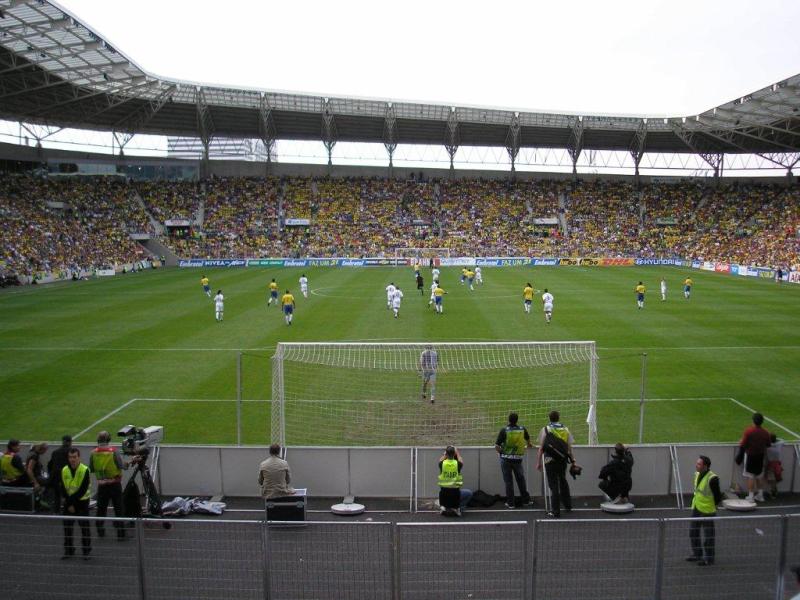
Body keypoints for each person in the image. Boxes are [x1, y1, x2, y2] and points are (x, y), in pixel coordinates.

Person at [536, 410, 578, 518]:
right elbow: (569, 448)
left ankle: (556, 511)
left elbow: (541, 448)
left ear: (549, 418)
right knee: (563, 482)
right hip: (562, 460)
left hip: (550, 460)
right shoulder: (565, 429)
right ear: (558, 418)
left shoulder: (546, 429)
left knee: (554, 485)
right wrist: (573, 460)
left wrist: (538, 462)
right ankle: (568, 506)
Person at [89, 431, 128, 540]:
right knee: (119, 508)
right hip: (114, 484)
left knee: (101, 509)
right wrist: (128, 463)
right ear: (108, 440)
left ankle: (100, 530)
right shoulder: (113, 451)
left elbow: (91, 468)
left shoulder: (93, 453)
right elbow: (121, 465)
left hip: (102, 485)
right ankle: (121, 534)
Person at [686, 455, 721, 566]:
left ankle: (709, 559)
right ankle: (697, 554)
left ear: (705, 466)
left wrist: (713, 505)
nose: (696, 465)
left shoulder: (713, 479)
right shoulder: (697, 474)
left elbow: (718, 496)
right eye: (697, 463)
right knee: (693, 532)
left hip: (707, 511)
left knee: (708, 536)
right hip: (697, 507)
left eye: (699, 464)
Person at [495, 412, 533, 509]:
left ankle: (511, 503)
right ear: (517, 420)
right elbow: (528, 439)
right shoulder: (522, 429)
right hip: (518, 459)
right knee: (521, 480)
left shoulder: (504, 430)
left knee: (508, 482)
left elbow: (497, 446)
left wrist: (501, 453)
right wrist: (528, 445)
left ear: (508, 420)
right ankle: (526, 500)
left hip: (506, 459)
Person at [61, 448, 92, 560]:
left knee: (85, 528)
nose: (72, 459)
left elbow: (82, 490)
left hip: (82, 502)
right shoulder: (64, 469)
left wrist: (71, 504)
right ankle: (69, 550)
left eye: (74, 457)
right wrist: (69, 504)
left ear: (79, 457)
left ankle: (86, 551)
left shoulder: (85, 470)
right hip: (69, 503)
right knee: (67, 528)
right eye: (70, 457)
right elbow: (63, 488)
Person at [736, 412, 771, 502]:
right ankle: (760, 495)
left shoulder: (749, 431)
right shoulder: (765, 432)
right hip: (760, 456)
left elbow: (743, 444)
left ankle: (751, 496)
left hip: (750, 456)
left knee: (750, 475)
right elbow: (768, 444)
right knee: (759, 475)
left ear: (753, 421)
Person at [437, 446, 472, 517]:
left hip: (444, 495)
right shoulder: (458, 464)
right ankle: (457, 508)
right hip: (455, 494)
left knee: (443, 493)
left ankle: (444, 507)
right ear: (454, 454)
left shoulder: (442, 464)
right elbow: (460, 460)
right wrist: (457, 453)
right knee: (469, 493)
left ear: (446, 454)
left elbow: (440, 460)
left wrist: (445, 453)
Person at [47, 435, 73, 513]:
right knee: (68, 494)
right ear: (70, 442)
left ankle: (56, 511)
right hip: (67, 476)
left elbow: (50, 465)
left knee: (57, 495)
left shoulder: (55, 452)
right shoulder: (71, 452)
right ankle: (67, 511)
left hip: (56, 476)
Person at [25, 443, 50, 510]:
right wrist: (35, 483)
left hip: (36, 476)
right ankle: (43, 500)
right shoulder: (34, 456)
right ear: (43, 449)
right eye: (45, 450)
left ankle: (41, 499)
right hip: (35, 478)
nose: (45, 452)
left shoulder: (32, 453)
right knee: (51, 482)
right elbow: (29, 470)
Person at [765, 433, 784, 499]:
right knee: (775, 478)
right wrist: (776, 439)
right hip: (778, 464)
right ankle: (774, 491)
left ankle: (773, 492)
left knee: (772, 479)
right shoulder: (779, 444)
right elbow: (782, 440)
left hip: (771, 464)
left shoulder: (767, 446)